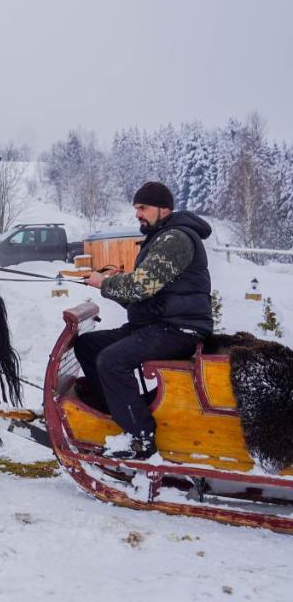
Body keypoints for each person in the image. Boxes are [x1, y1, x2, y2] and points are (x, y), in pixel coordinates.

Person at [74, 181, 213, 460]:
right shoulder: (162, 235)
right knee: (88, 345)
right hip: (156, 324)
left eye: (143, 208)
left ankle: (141, 438)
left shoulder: (176, 238)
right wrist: (109, 283)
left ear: (164, 209)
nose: (137, 213)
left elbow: (141, 287)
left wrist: (104, 282)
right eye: (136, 208)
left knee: (111, 360)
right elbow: (144, 293)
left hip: (178, 329)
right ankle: (119, 413)